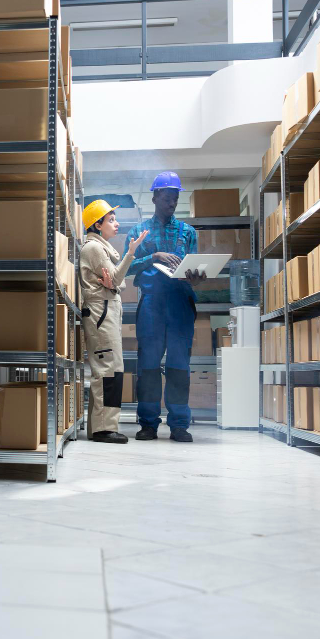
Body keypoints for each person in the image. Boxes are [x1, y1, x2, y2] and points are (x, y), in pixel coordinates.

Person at [124, 172, 205, 443]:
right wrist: (153, 256)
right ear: (155, 196)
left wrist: (197, 276)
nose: (172, 203)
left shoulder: (188, 232)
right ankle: (148, 423)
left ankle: (179, 424)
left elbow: (194, 268)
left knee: (179, 365)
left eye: (175, 198)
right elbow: (126, 267)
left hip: (181, 301)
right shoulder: (138, 232)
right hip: (152, 303)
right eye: (168, 197)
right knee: (148, 365)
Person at [79, 200, 147, 443]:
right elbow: (118, 279)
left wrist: (115, 281)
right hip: (101, 313)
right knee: (108, 372)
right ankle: (103, 429)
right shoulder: (94, 249)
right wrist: (130, 252)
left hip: (105, 311)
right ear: (97, 225)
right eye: (110, 220)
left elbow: (118, 281)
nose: (116, 224)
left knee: (110, 371)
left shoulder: (101, 248)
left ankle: (102, 427)